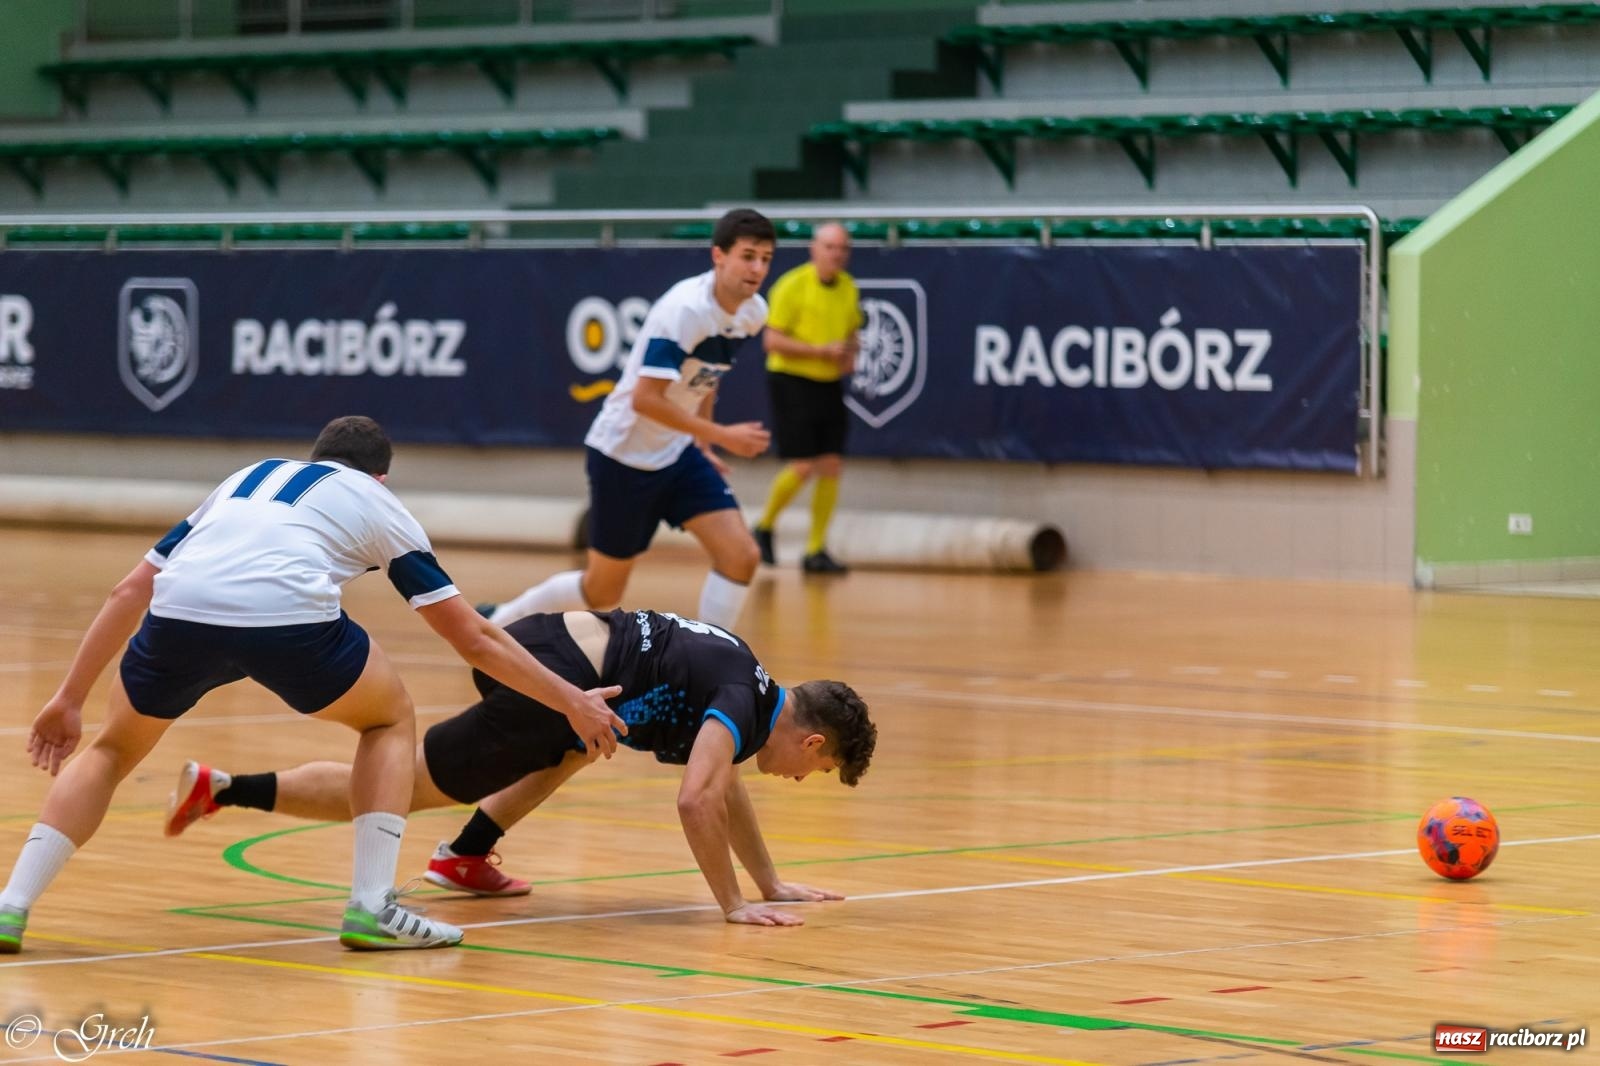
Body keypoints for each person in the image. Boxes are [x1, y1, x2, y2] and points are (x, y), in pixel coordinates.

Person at [0, 416, 626, 955]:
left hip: (179, 615)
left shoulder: (244, 479)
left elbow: (129, 590)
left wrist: (68, 699)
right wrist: (571, 700)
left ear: (313, 456)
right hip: (287, 622)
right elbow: (473, 637)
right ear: (381, 476)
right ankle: (373, 906)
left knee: (110, 750)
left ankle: (12, 904)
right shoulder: (378, 501)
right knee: (387, 718)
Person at [165, 608, 877, 926]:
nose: (793, 779)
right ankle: (224, 788)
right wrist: (734, 905)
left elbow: (723, 788)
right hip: (553, 678)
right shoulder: (740, 702)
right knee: (402, 787)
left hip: (549, 648)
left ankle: (466, 856)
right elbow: (697, 801)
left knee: (576, 747)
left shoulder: (750, 683)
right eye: (812, 772)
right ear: (811, 743)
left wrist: (770, 881)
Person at [487, 208, 776, 632]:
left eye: (766, 259)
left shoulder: (752, 312)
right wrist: (721, 434)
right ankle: (500, 622)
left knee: (741, 555)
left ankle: (717, 657)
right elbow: (645, 399)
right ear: (719, 256)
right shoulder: (685, 311)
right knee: (602, 592)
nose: (757, 268)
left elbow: (707, 377)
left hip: (677, 452)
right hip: (623, 455)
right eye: (748, 256)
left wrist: (704, 446)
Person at [751, 222, 862, 575]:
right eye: (830, 247)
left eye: (842, 248)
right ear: (814, 249)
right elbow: (772, 340)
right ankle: (764, 526)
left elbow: (851, 330)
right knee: (802, 464)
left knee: (831, 464)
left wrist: (849, 354)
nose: (836, 254)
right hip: (792, 379)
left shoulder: (848, 288)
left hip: (828, 382)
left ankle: (815, 549)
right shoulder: (792, 285)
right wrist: (819, 351)